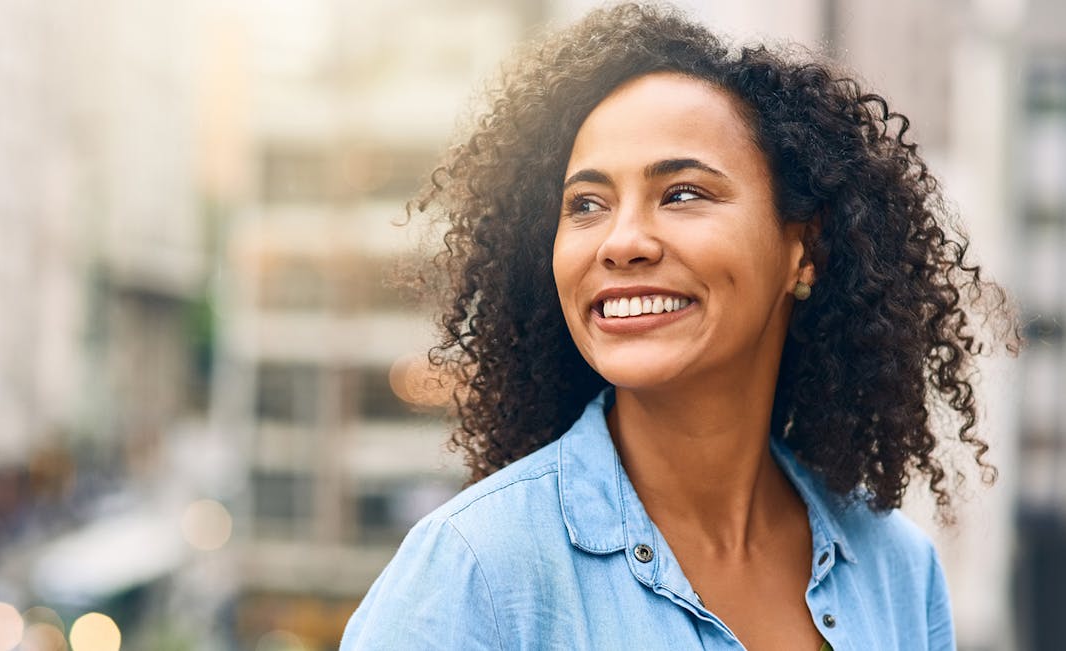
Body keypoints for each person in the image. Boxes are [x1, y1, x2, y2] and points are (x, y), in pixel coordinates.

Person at [341, 3, 1017, 649]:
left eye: (682, 193)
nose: (621, 240)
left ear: (803, 251)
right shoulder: (476, 570)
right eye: (586, 203)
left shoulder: (897, 572)